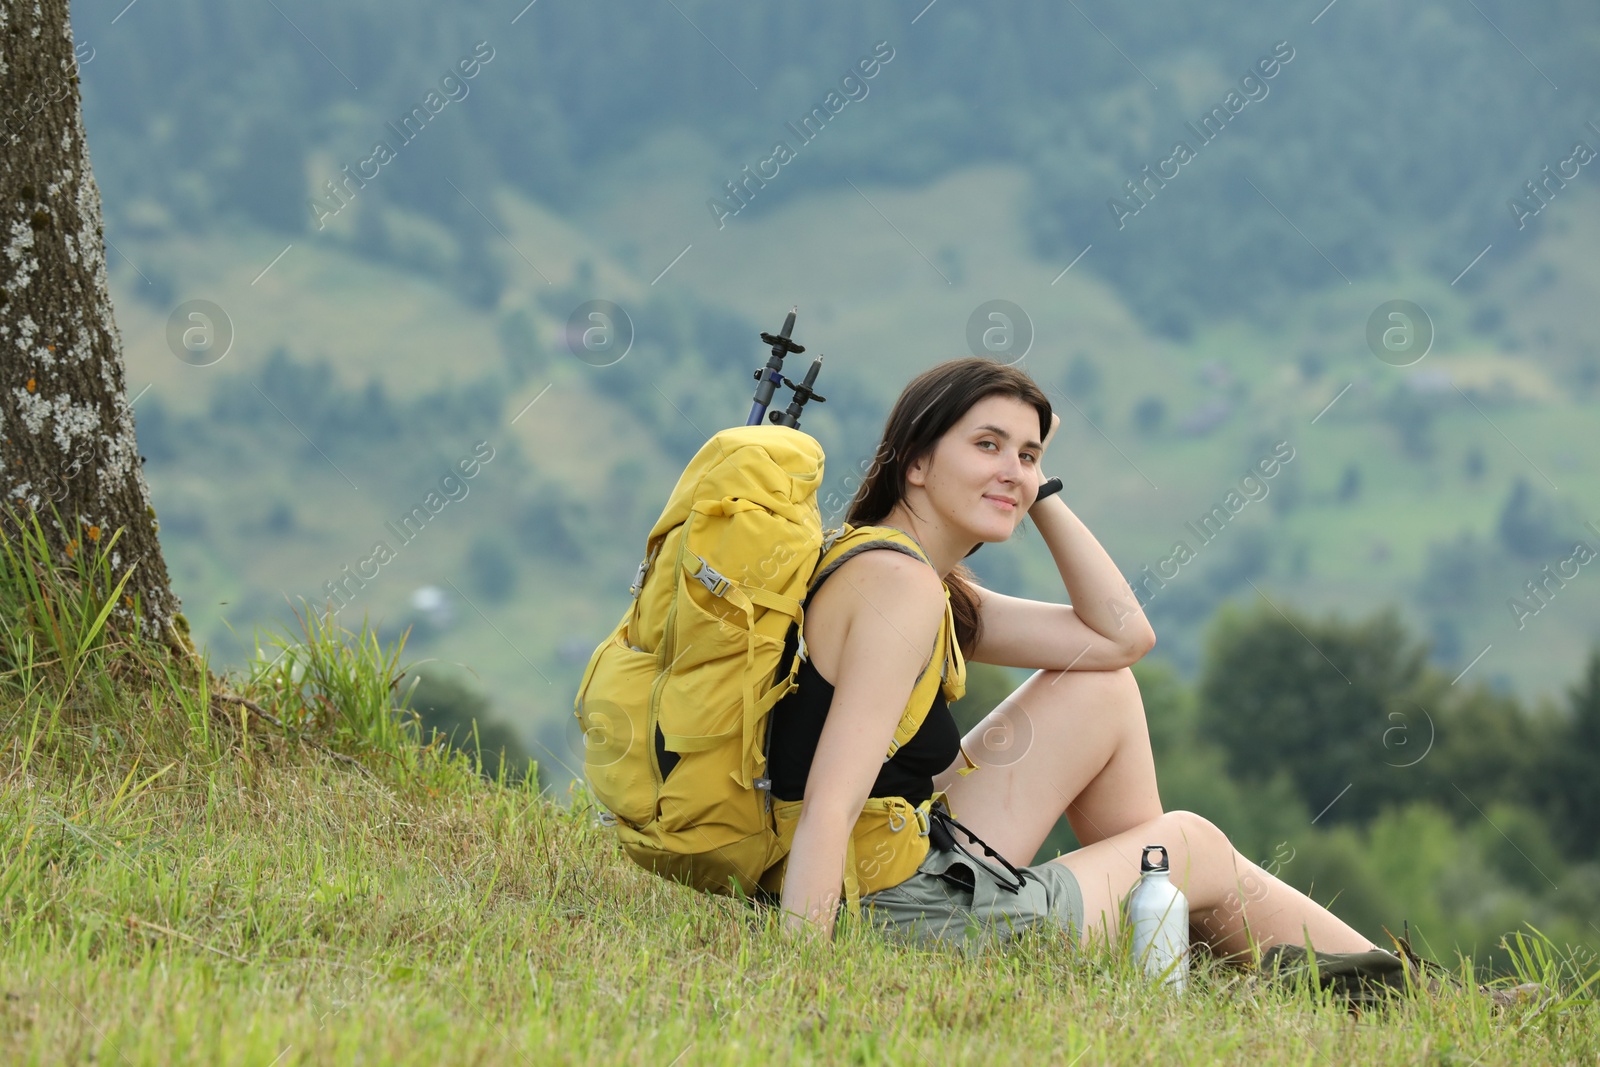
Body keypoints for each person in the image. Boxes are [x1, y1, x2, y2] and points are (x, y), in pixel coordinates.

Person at [768, 356, 1383, 962]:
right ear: (917, 462)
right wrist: (802, 969)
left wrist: (1036, 488)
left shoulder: (901, 571)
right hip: (898, 914)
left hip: (894, 864)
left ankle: (1167, 943)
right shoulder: (899, 589)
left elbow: (1119, 639)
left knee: (1101, 691)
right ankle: (1398, 990)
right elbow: (831, 799)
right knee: (1194, 845)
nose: (1014, 471)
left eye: (1029, 455)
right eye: (987, 445)